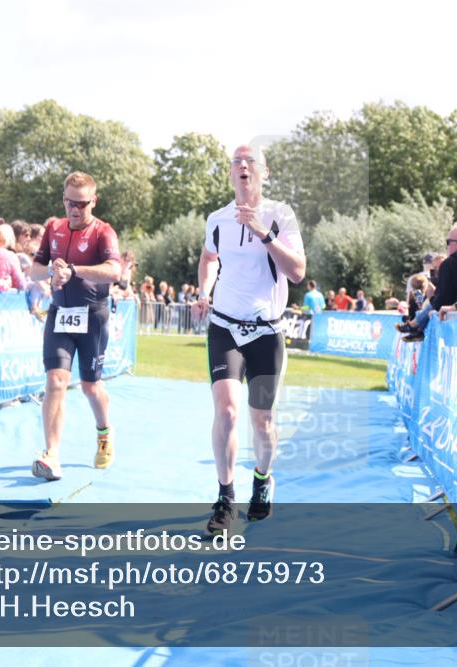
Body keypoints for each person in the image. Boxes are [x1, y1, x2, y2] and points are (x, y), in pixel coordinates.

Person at [191, 144, 306, 534]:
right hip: (224, 327)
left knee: (263, 421)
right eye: (236, 162)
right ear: (230, 173)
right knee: (226, 411)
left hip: (266, 333)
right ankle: (225, 497)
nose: (242, 166)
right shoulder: (217, 219)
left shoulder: (281, 215)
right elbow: (208, 258)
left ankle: (262, 479)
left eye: (250, 161)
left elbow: (297, 272)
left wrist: (263, 233)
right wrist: (203, 291)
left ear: (264, 172)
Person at [29, 171, 122, 481]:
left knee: (90, 386)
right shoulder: (53, 228)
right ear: (63, 200)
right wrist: (50, 272)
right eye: (70, 202)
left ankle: (104, 432)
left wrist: (74, 270)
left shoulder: (103, 232)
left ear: (94, 201)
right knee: (56, 381)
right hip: (60, 313)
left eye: (82, 203)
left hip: (93, 315)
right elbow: (34, 270)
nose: (75, 209)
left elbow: (114, 271)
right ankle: (52, 455)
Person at [400, 222, 457, 341]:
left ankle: (416, 327)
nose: (446, 246)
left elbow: (443, 298)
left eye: (448, 242)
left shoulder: (450, 264)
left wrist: (431, 306)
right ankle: (415, 326)